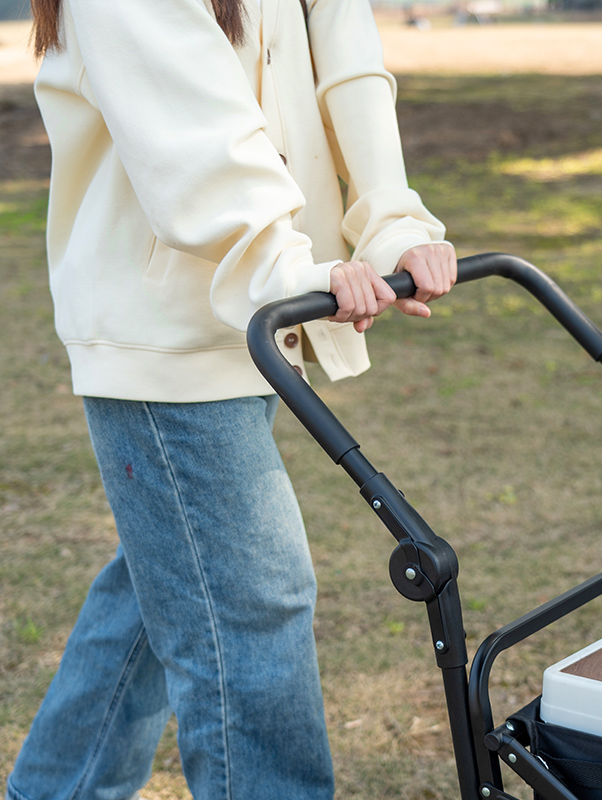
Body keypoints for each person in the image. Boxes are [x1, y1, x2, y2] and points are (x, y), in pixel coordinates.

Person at [5, 0, 456, 798]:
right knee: (253, 610)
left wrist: (392, 219)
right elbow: (194, 137)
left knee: (164, 591)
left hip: (248, 310)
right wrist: (288, 268)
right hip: (170, 329)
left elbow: (342, 49)